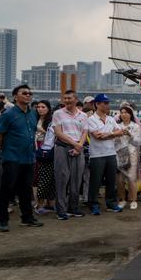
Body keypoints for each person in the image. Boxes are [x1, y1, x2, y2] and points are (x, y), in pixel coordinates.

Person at [0, 85, 43, 231]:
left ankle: (27, 218)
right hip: (12, 157)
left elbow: (33, 131)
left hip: (29, 158)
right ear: (15, 96)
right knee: (6, 190)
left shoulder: (33, 113)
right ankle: (3, 220)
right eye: (24, 93)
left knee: (26, 189)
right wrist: (4, 146)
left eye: (30, 93)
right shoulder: (8, 114)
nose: (28, 95)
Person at [86, 94, 125, 215]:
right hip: (97, 155)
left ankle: (111, 203)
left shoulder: (111, 119)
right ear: (97, 104)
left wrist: (107, 134)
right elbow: (97, 136)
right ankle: (93, 204)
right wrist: (112, 133)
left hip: (111, 153)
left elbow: (120, 132)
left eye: (108, 103)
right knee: (95, 182)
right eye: (105, 103)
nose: (108, 105)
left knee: (111, 181)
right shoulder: (90, 119)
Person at [52, 90, 88, 220]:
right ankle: (61, 210)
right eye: (65, 98)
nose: (67, 100)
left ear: (75, 99)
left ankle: (73, 208)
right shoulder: (58, 113)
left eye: (69, 98)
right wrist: (75, 144)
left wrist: (79, 146)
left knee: (77, 180)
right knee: (62, 179)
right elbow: (58, 132)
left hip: (78, 149)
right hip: (62, 148)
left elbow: (84, 132)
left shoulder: (83, 115)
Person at [115, 104, 141, 210]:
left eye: (126, 112)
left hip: (132, 154)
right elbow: (114, 141)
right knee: (120, 179)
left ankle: (133, 199)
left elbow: (140, 141)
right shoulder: (117, 126)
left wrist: (130, 135)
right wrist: (117, 136)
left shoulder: (136, 127)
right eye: (122, 112)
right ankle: (122, 199)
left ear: (130, 114)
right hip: (120, 154)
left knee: (131, 178)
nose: (124, 114)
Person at [34, 99, 56, 215]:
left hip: (49, 150)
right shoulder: (34, 119)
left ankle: (50, 203)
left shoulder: (51, 121)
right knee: (41, 177)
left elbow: (52, 135)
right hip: (36, 149)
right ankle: (39, 204)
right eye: (38, 107)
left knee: (51, 178)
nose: (40, 109)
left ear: (48, 109)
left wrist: (39, 130)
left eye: (43, 107)